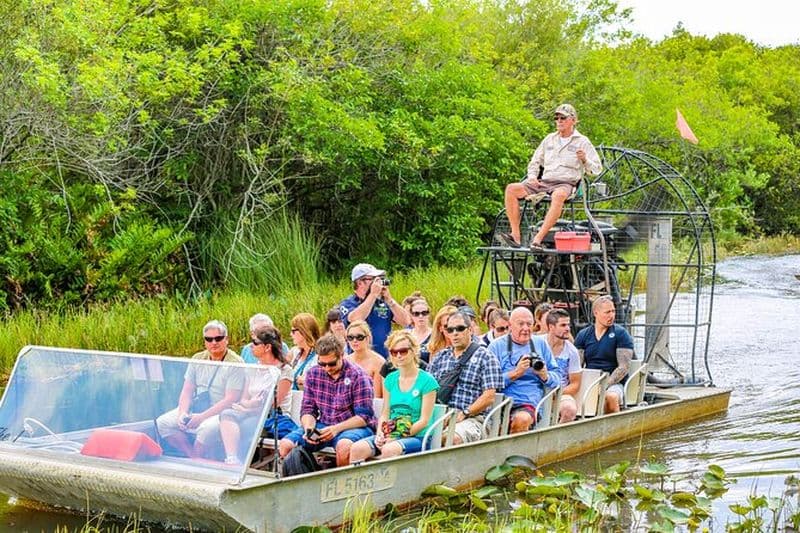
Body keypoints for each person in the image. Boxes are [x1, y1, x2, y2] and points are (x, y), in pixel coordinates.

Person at [500, 104, 602, 250]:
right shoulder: (549, 139)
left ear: (573, 120)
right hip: (545, 181)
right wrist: (532, 177)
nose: (559, 121)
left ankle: (537, 239)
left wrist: (585, 159)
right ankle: (515, 235)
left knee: (558, 195)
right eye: (557, 118)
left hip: (566, 183)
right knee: (511, 189)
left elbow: (597, 169)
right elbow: (535, 161)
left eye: (563, 118)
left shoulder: (582, 141)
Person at [278, 334, 375, 467]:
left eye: (332, 364)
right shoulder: (313, 374)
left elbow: (364, 417)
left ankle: (341, 480)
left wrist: (335, 429)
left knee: (344, 447)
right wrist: (309, 428)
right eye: (322, 364)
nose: (327, 368)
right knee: (286, 445)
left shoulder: (358, 376)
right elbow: (308, 410)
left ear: (341, 356)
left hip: (353, 427)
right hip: (323, 425)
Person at [156, 320, 244, 459]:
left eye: (218, 338)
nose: (214, 343)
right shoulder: (198, 358)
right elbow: (187, 391)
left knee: (205, 428)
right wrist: (182, 413)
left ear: (226, 339)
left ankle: (197, 459)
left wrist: (202, 417)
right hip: (197, 406)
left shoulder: (236, 363)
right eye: (209, 339)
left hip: (221, 412)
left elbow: (230, 399)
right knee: (163, 422)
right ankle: (193, 456)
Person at [349, 331, 439, 463]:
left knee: (389, 449)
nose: (399, 355)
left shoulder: (427, 381)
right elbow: (385, 413)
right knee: (357, 448)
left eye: (403, 351)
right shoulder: (390, 379)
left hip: (417, 436)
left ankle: (383, 477)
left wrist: (396, 436)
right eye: (394, 352)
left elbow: (424, 421)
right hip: (391, 432)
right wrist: (380, 433)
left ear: (413, 351)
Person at [219, 325, 296, 465]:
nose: (251, 346)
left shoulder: (284, 371)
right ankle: (232, 459)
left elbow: (273, 403)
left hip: (272, 417)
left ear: (267, 347)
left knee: (245, 426)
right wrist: (249, 405)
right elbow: (244, 398)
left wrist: (248, 408)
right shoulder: (254, 368)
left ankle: (245, 465)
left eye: (255, 343)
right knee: (226, 414)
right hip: (251, 412)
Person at [428, 309, 503, 445]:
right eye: (450, 330)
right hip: (440, 414)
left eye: (460, 328)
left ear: (470, 330)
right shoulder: (440, 357)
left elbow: (489, 396)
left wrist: (465, 413)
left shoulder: (486, 356)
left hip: (473, 418)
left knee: (450, 438)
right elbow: (427, 391)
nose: (455, 333)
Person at [489, 308, 560, 433]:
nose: (526, 328)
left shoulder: (541, 344)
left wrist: (545, 375)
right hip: (499, 401)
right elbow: (488, 382)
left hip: (528, 402)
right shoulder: (496, 346)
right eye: (521, 324)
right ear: (510, 325)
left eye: (529, 324)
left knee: (522, 419)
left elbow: (558, 377)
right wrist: (515, 373)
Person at [574, 295, 634, 414]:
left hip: (613, 382)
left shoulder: (621, 333)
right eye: (607, 312)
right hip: (590, 380)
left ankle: (614, 422)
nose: (611, 315)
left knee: (610, 397)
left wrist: (605, 385)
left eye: (613, 311)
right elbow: (577, 365)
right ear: (596, 313)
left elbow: (624, 367)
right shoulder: (583, 335)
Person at [340, 263, 411, 358]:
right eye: (373, 279)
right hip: (360, 360)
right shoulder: (348, 303)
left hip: (385, 359)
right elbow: (355, 319)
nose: (377, 282)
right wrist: (373, 295)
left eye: (379, 278)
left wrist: (389, 299)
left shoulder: (382, 302)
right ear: (360, 282)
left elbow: (406, 321)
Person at [543, 309, 582, 423]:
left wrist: (556, 394)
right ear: (551, 327)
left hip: (560, 392)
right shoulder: (538, 343)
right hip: (536, 390)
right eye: (563, 325)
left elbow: (575, 384)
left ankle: (558, 431)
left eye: (568, 325)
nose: (568, 329)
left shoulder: (572, 351)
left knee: (569, 409)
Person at [345, 320, 385, 398]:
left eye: (359, 337)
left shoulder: (378, 362)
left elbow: (377, 397)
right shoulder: (345, 361)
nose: (355, 340)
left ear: (367, 338)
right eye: (350, 337)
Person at [288, 312, 321, 390]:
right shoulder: (295, 352)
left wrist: (307, 381)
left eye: (293, 331)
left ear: (304, 331)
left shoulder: (320, 355)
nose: (290, 334)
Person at [408, 298, 433, 363]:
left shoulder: (435, 335)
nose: (420, 316)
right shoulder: (406, 335)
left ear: (429, 314)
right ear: (411, 315)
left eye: (424, 313)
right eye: (416, 314)